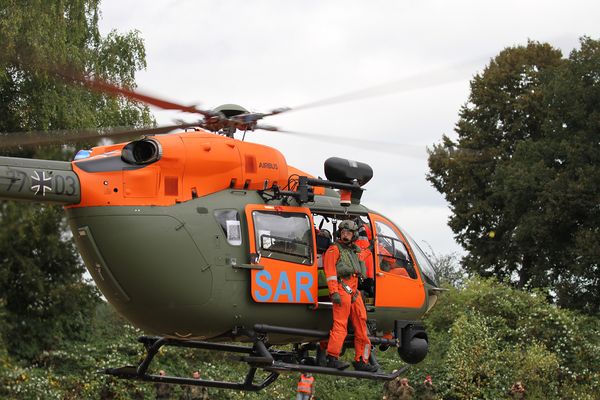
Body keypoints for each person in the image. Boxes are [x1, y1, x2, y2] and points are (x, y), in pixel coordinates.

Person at [322, 219, 377, 372]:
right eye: (343, 232)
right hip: (341, 289)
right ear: (339, 233)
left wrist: (370, 248)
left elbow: (360, 257)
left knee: (362, 324)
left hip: (354, 291)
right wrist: (334, 292)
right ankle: (332, 357)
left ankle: (361, 360)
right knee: (340, 325)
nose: (345, 235)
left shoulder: (353, 250)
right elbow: (331, 273)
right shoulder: (334, 250)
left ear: (354, 235)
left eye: (348, 232)